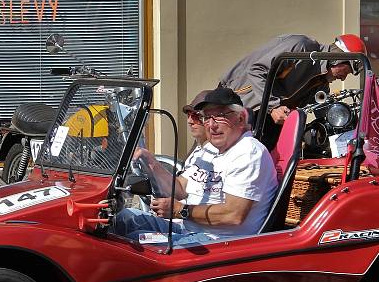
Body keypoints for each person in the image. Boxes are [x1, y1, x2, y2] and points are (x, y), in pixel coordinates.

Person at [113, 86, 278, 246]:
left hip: (219, 242)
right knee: (120, 219)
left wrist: (181, 210)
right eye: (207, 117)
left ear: (240, 119)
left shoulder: (249, 152)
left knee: (133, 243)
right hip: (188, 230)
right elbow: (179, 188)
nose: (212, 125)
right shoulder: (209, 149)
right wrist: (150, 161)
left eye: (220, 116)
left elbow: (233, 214)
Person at [218, 33, 368, 127]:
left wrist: (349, 125)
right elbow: (257, 70)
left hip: (266, 116)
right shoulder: (301, 47)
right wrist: (273, 106)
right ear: (339, 58)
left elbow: (322, 108)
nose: (343, 77)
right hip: (237, 101)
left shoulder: (320, 83)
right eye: (347, 71)